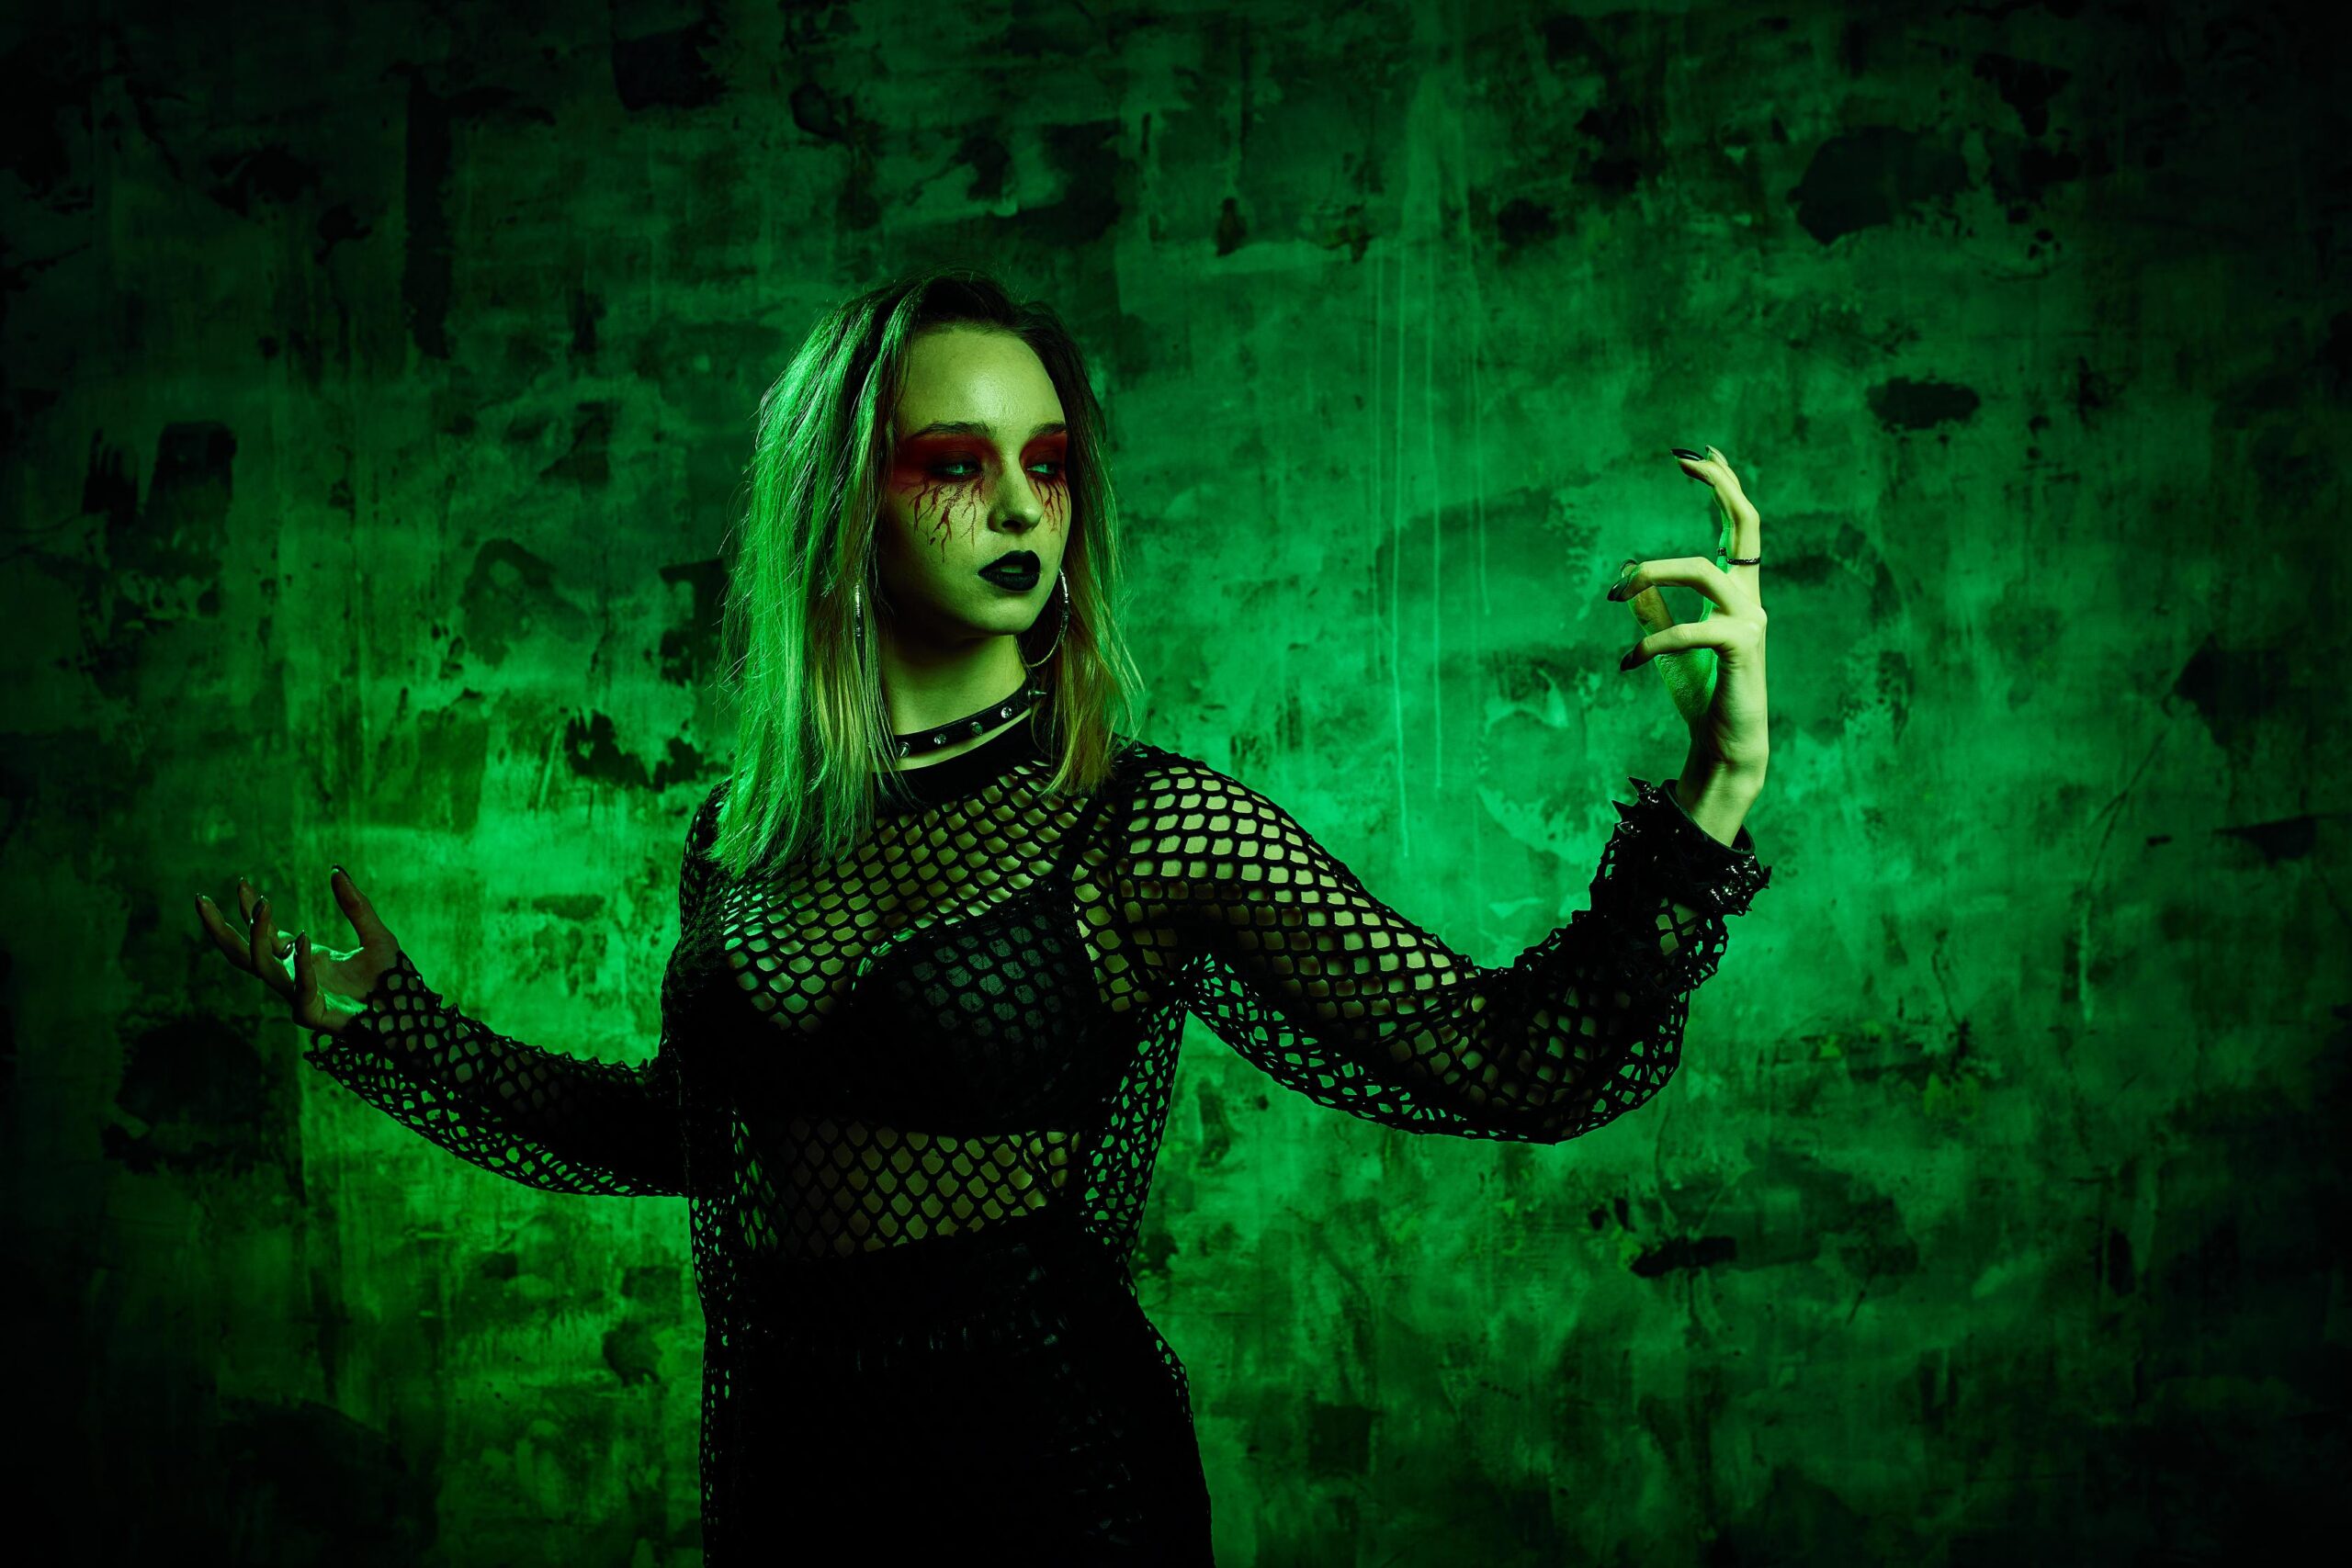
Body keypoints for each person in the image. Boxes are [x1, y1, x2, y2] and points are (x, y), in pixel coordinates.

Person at [195, 265, 1773, 1563]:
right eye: (955, 463)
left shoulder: (1143, 828)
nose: (1021, 506)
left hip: (1050, 1483)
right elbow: (700, 1134)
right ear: (841, 502)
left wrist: (1717, 783)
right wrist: (399, 1030)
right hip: (797, 1483)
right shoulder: (745, 834)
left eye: (1049, 463)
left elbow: (1515, 1059)